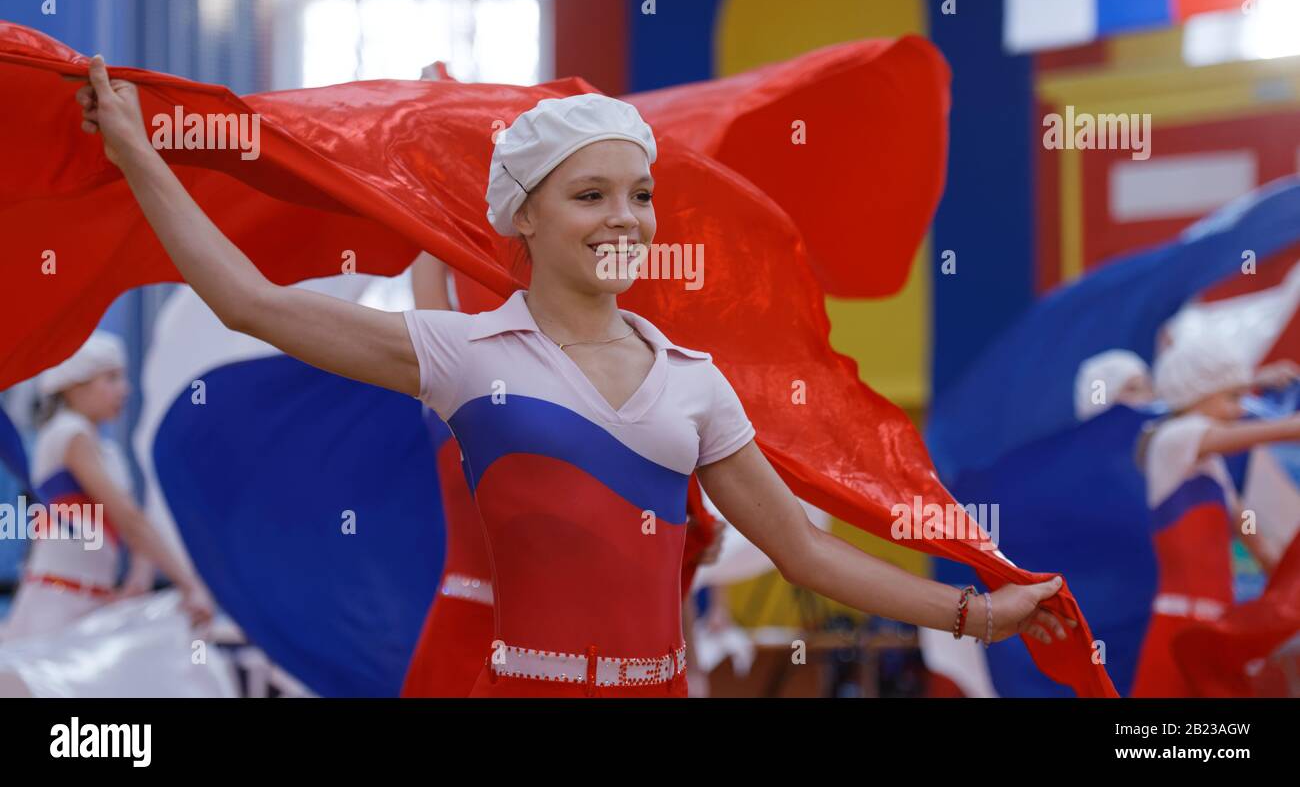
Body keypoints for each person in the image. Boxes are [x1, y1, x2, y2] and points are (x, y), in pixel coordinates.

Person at [72, 56, 1073, 697]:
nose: (625, 219)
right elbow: (250, 301)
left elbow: (807, 557)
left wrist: (977, 611)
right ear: (523, 220)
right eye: (589, 196)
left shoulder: (693, 382)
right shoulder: (466, 357)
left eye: (638, 195)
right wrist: (134, 152)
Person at [1, 331, 213, 642]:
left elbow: (134, 525)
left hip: (90, 603)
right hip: (55, 605)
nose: (124, 390)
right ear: (74, 385)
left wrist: (139, 579)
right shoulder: (68, 433)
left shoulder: (108, 453)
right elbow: (129, 518)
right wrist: (189, 584)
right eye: (111, 378)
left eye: (123, 378)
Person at [1130, 338, 1299, 697]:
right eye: (1233, 398)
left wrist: (1286, 596)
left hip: (1218, 632)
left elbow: (1258, 543)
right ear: (1196, 394)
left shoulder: (1213, 469)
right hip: (1178, 630)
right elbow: (1265, 431)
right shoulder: (1172, 441)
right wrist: (1288, 424)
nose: (1240, 410)